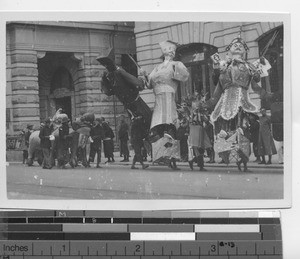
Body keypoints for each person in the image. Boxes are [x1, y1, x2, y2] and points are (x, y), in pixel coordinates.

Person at [207, 35, 268, 170]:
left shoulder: (248, 66)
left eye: (241, 45)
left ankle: (244, 160)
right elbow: (217, 88)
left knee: (243, 130)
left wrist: (258, 68)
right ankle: (226, 156)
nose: (238, 45)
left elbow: (256, 82)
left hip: (243, 102)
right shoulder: (224, 65)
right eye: (235, 44)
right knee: (226, 131)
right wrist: (208, 104)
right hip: (225, 103)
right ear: (229, 49)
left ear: (245, 50)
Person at [146, 40, 189, 170]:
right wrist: (144, 75)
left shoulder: (176, 64)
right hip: (158, 99)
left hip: (169, 98)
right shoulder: (157, 67)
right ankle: (161, 155)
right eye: (167, 50)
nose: (170, 52)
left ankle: (172, 158)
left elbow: (184, 76)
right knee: (158, 129)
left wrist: (178, 66)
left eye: (172, 51)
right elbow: (149, 84)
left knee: (170, 128)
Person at [96, 48, 152, 131]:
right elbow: (139, 85)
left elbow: (139, 84)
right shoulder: (112, 74)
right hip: (134, 107)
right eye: (105, 65)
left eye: (106, 64)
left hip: (134, 107)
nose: (106, 66)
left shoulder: (114, 74)